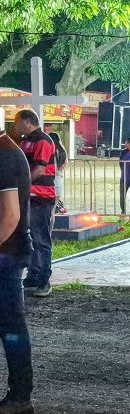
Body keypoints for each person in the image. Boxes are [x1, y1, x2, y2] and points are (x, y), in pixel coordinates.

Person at [0, 129, 34, 414]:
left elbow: (10, 215)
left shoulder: (5, 155)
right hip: (8, 253)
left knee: (11, 326)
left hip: (6, 255)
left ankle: (20, 396)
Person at [14, 110, 56, 298]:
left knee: (40, 239)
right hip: (27, 196)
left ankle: (44, 279)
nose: (15, 126)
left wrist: (21, 184)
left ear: (27, 121)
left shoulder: (43, 141)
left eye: (17, 122)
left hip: (41, 196)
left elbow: (40, 169)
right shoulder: (26, 141)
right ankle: (33, 275)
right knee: (29, 238)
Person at [48, 132, 67, 207]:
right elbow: (65, 164)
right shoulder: (62, 151)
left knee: (49, 209)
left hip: (50, 182)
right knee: (53, 209)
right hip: (59, 180)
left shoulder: (50, 150)